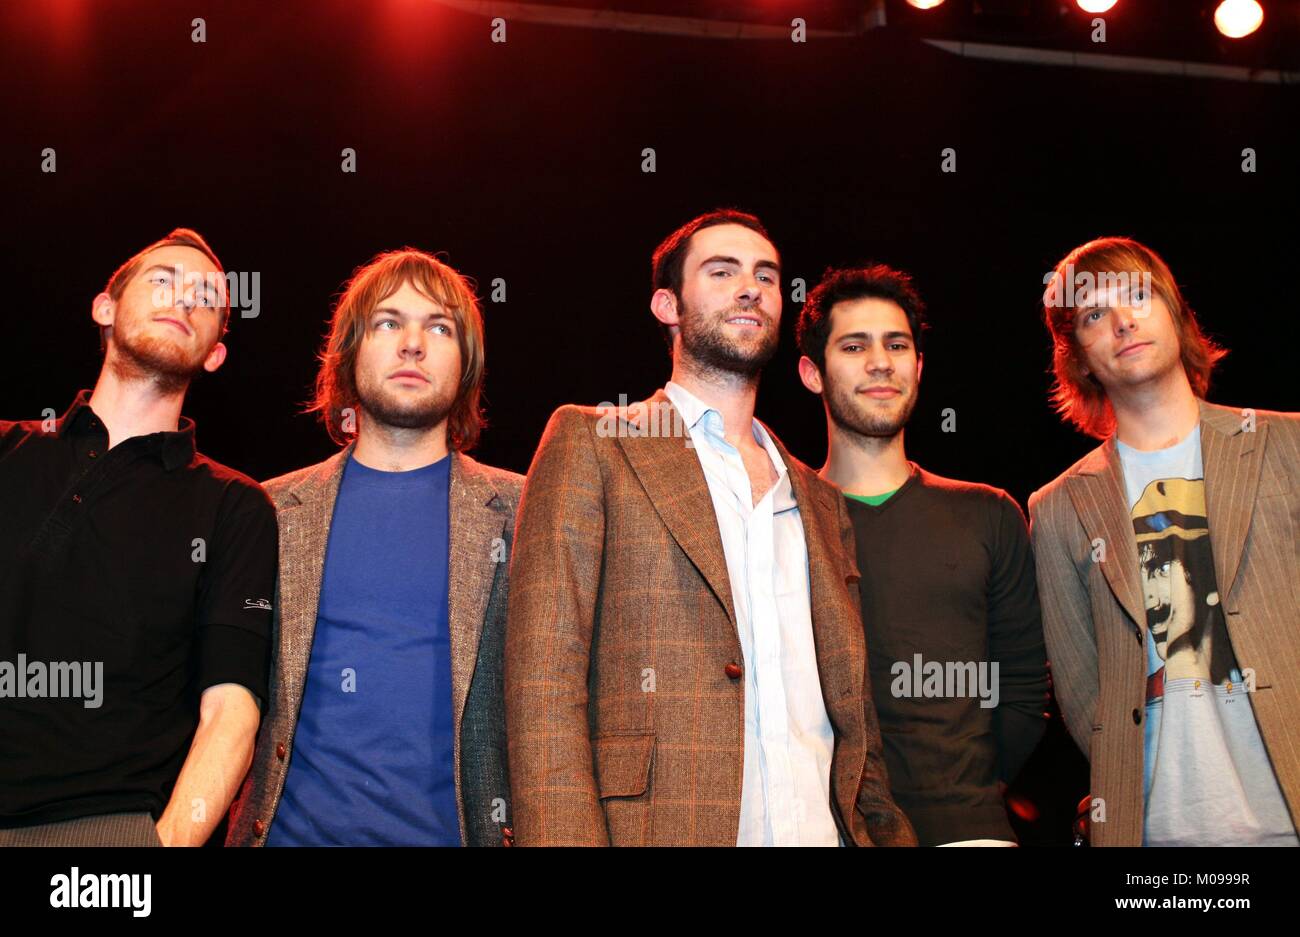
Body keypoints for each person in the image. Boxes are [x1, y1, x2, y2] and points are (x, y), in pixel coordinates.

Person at [505, 210, 915, 846]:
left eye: (766, 276)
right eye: (722, 272)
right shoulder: (595, 440)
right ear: (668, 305)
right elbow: (542, 681)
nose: (750, 287)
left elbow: (854, 713)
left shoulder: (819, 498)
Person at [226, 249, 522, 847]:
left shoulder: (526, 512)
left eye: (439, 327)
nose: (412, 344)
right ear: (349, 352)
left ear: (467, 364)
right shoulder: (267, 511)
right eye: (388, 323)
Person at [0, 229, 275, 846]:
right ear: (104, 308)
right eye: (163, 281)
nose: (184, 299)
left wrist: (162, 848)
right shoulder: (7, 450)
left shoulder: (235, 506)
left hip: (102, 833)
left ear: (215, 355)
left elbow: (231, 709)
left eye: (206, 296)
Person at [1029, 236, 1300, 846]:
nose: (1123, 320)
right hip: (1157, 831)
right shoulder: (1057, 507)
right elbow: (1083, 697)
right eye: (1094, 313)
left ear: (1175, 311)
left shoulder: (1290, 446)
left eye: (1136, 295)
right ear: (1077, 355)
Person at [796, 264, 1049, 846]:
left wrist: (966, 794)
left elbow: (1022, 690)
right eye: (854, 345)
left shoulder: (988, 513)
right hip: (821, 831)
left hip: (969, 831)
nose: (880, 361)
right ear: (813, 372)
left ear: (918, 365)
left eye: (897, 344)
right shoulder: (785, 518)